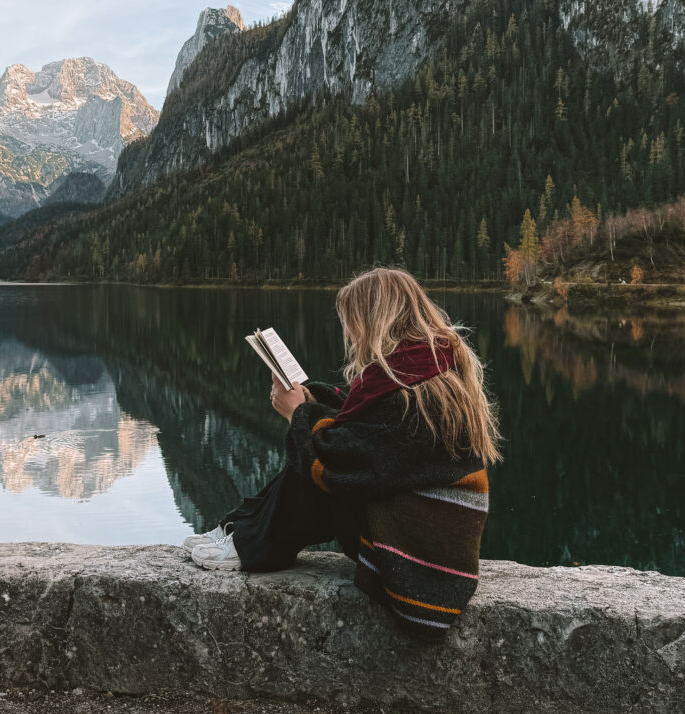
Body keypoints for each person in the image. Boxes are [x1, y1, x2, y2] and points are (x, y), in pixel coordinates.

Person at [183, 266, 501, 642]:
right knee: (317, 444)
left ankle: (248, 544)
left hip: (417, 571)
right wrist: (312, 399)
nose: (350, 333)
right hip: (424, 543)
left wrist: (296, 413)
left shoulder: (416, 398)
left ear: (376, 321)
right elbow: (369, 431)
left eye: (353, 321)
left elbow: (340, 462)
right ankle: (240, 531)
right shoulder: (430, 370)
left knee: (315, 467)